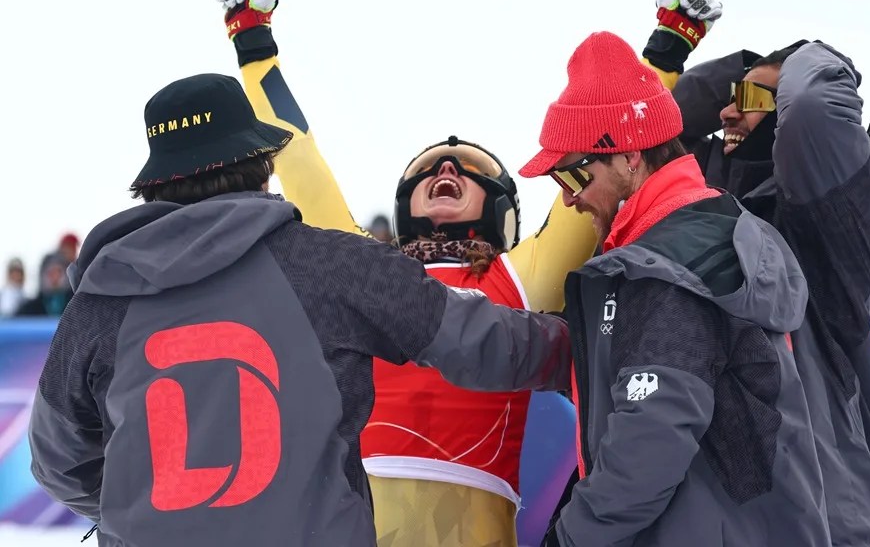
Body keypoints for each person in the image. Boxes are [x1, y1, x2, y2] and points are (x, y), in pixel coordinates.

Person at [210, 0, 718, 545]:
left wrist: (669, 42)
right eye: (428, 170)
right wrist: (253, 40)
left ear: (500, 206)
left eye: (466, 169)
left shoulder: (519, 281)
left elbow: (616, 129)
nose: (446, 168)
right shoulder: (362, 276)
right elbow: (299, 161)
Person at [27, 73, 573, 547]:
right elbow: (478, 340)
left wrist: (145, 509)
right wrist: (592, 348)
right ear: (260, 168)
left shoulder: (98, 303)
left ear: (153, 188)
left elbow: (58, 461)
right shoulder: (330, 263)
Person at [519, 30, 830, 546]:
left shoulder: (669, 267)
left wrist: (567, 540)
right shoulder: (698, 231)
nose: (570, 201)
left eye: (574, 177)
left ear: (628, 158)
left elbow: (647, 447)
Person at [670, 38, 870, 545]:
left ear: (783, 115)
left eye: (750, 101)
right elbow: (661, 127)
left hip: (820, 523)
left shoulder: (828, 228)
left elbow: (813, 112)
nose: (727, 111)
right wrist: (746, 69)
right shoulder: (696, 205)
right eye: (728, 98)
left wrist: (811, 54)